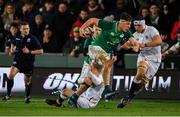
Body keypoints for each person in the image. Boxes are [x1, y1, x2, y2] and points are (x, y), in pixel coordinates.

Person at [68, 12, 139, 107]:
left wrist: (135, 46)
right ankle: (107, 90)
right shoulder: (109, 24)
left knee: (94, 80)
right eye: (128, 23)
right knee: (108, 63)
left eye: (130, 24)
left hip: (104, 54)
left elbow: (134, 42)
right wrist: (82, 28)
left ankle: (74, 97)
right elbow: (92, 20)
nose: (129, 26)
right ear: (121, 22)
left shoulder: (126, 32)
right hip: (95, 49)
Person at [117, 16, 162, 108]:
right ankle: (128, 96)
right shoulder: (135, 35)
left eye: (139, 26)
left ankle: (130, 96)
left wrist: (144, 45)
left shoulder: (151, 30)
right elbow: (128, 46)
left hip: (155, 58)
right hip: (143, 56)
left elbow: (159, 41)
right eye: (135, 26)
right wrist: (126, 45)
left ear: (143, 24)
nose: (137, 28)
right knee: (140, 73)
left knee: (141, 85)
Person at [45, 55, 116, 108]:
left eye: (94, 64)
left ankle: (72, 104)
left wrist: (89, 72)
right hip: (84, 98)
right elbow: (80, 81)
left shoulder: (100, 76)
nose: (92, 65)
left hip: (88, 103)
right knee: (65, 91)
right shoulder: (95, 74)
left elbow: (96, 82)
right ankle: (58, 103)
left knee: (67, 92)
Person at [2, 21, 44, 103]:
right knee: (10, 76)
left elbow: (41, 51)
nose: (26, 30)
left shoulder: (32, 38)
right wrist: (12, 49)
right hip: (18, 60)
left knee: (27, 81)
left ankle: (27, 96)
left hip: (28, 62)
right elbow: (13, 43)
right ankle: (8, 95)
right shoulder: (17, 36)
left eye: (27, 29)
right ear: (20, 29)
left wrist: (29, 52)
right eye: (24, 29)